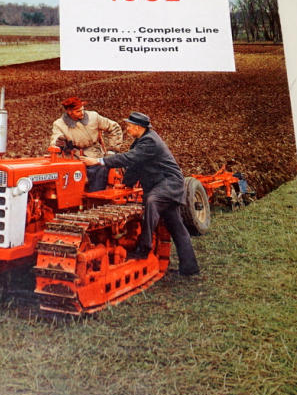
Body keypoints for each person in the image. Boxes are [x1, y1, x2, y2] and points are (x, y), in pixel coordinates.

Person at [80, 111, 200, 275]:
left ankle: (144, 248)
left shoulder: (150, 141)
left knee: (152, 201)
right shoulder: (140, 142)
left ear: (138, 127)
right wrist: (126, 184)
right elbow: (135, 166)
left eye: (129, 126)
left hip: (169, 183)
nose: (127, 129)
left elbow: (129, 159)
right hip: (162, 184)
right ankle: (190, 268)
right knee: (176, 227)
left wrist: (99, 161)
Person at [50, 96, 123, 191]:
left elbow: (114, 128)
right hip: (73, 157)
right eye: (78, 111)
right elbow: (55, 139)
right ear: (69, 112)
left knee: (100, 169)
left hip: (94, 154)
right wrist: (60, 143)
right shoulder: (59, 124)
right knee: (69, 176)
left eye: (83, 109)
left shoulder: (93, 117)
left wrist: (112, 150)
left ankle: (96, 196)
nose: (82, 113)